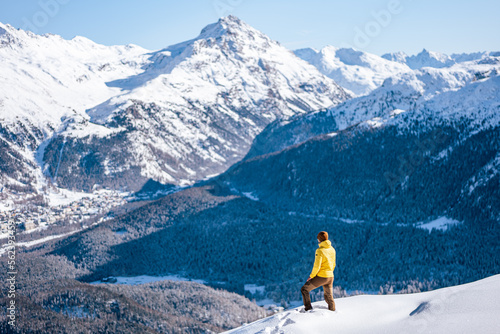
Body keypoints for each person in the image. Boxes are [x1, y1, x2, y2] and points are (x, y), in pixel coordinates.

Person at [300, 231, 336, 311]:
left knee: (304, 289)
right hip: (330, 276)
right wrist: (329, 272)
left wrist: (311, 276)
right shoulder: (332, 249)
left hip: (322, 277)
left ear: (319, 239)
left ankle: (308, 309)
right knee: (329, 298)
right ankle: (333, 313)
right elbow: (333, 264)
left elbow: (317, 266)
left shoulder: (319, 251)